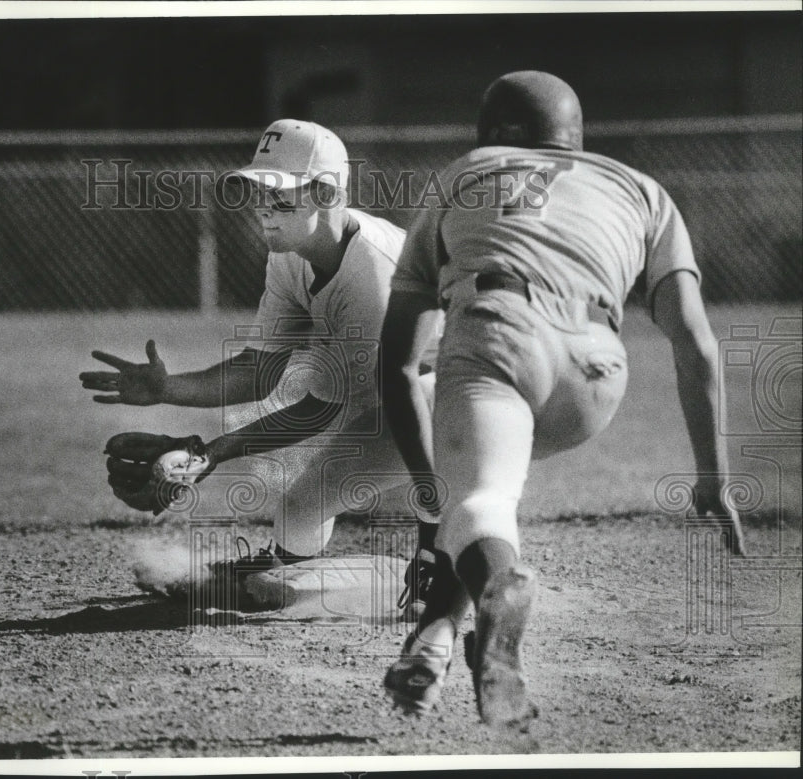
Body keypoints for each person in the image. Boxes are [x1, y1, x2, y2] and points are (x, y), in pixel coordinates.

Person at [377, 71, 747, 727]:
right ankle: (435, 640)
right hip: (597, 370)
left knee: (478, 501)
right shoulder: (642, 189)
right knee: (491, 495)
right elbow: (695, 343)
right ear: (575, 140)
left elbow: (400, 362)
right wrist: (712, 477)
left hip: (500, 331)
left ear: (492, 134)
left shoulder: (467, 171)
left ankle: (490, 605)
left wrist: (428, 489)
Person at [80, 119, 438, 614]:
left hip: (467, 394)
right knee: (300, 508)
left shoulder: (373, 274)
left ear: (328, 193)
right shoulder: (292, 255)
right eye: (259, 194)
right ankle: (287, 577)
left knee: (432, 538)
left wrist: (214, 452)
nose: (264, 210)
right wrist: (168, 389)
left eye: (280, 195)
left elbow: (321, 411)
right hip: (406, 394)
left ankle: (438, 564)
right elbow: (259, 370)